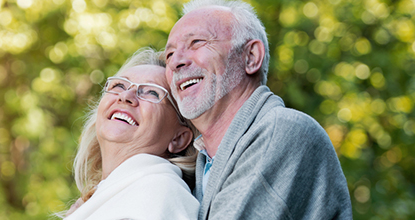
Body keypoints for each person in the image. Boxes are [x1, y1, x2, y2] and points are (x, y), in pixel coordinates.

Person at [164, 0, 352, 219]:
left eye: (197, 42)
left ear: (251, 57)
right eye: (169, 55)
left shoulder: (282, 129)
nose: (175, 62)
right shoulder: (200, 164)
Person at [63, 48, 199, 219]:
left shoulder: (160, 191)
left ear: (178, 138)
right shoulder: (111, 195)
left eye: (151, 92)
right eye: (119, 85)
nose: (126, 96)